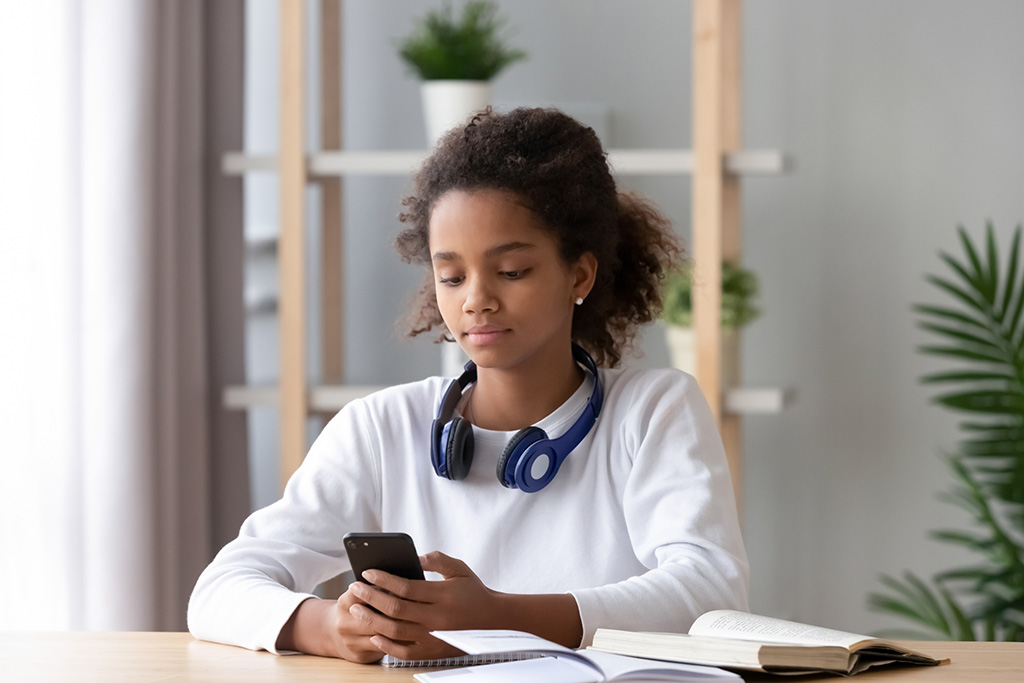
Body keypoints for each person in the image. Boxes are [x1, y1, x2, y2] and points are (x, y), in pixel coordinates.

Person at [187, 107, 748, 663]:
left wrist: (499, 618)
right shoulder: (380, 428)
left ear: (579, 274)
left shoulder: (653, 411)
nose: (475, 299)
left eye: (511, 271)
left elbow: (709, 594)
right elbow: (220, 589)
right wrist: (330, 628)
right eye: (451, 276)